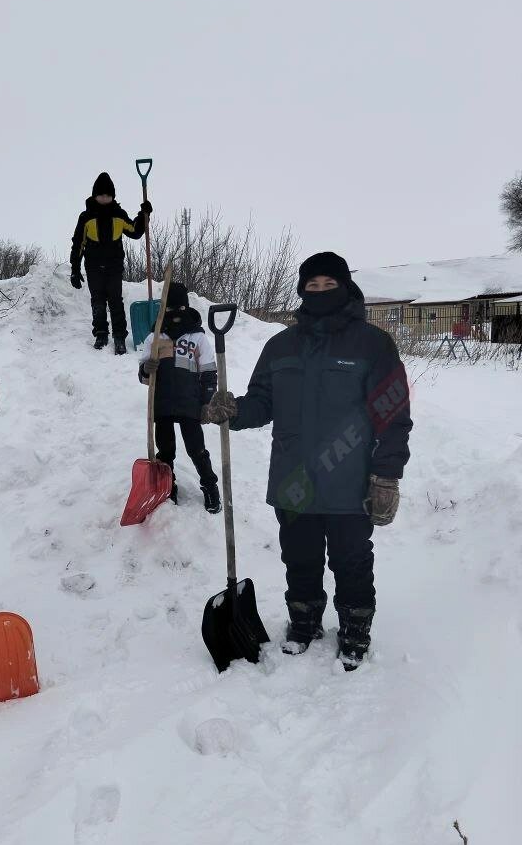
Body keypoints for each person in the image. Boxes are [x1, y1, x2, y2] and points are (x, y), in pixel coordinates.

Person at [202, 252, 412, 669]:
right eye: (311, 286)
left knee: (351, 559)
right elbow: (263, 402)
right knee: (298, 556)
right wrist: (235, 411)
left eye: (327, 285)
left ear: (345, 288)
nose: (319, 292)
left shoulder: (372, 345)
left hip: (349, 481)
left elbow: (393, 415)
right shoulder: (281, 346)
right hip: (293, 478)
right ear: (301, 291)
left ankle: (354, 626)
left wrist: (386, 475)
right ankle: (305, 619)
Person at [140, 281, 221, 513]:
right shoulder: (154, 338)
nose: (176, 315)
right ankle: (167, 485)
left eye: (180, 309)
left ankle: (210, 485)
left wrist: (206, 402)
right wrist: (147, 369)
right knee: (165, 451)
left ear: (187, 308)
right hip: (162, 403)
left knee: (197, 449)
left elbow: (208, 372)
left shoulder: (198, 338)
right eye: (170, 310)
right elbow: (144, 377)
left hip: (189, 403)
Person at [70, 171, 152, 354]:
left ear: (112, 196)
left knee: (116, 301)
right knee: (97, 301)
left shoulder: (118, 214)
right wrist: (75, 268)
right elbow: (78, 244)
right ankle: (101, 333)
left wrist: (143, 214)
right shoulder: (86, 217)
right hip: (93, 267)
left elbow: (135, 232)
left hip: (114, 266)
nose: (104, 198)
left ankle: (119, 336)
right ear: (95, 195)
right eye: (101, 194)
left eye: (107, 195)